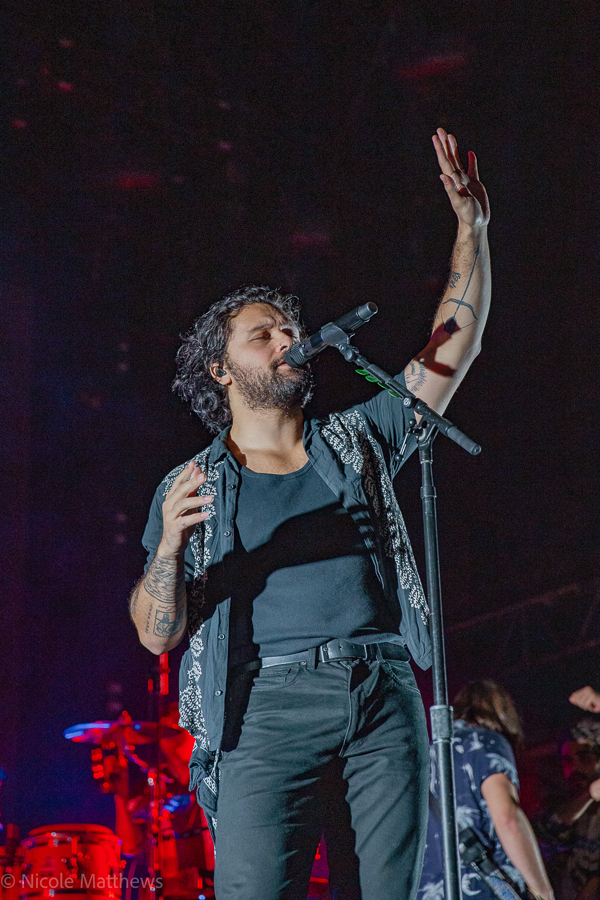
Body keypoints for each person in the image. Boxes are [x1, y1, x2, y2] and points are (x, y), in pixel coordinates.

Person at [129, 128, 491, 900]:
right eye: (262, 333)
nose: (287, 339)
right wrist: (168, 550)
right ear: (221, 370)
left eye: (290, 328)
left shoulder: (359, 437)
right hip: (266, 709)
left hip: (383, 690)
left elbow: (450, 349)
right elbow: (156, 633)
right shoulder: (192, 484)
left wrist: (473, 231)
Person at [419, 680, 554, 900]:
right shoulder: (487, 741)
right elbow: (507, 818)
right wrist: (542, 891)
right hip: (480, 888)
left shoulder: (426, 752)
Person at [537, 722, 600, 900]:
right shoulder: (560, 799)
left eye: (585, 758)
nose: (574, 768)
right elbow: (550, 831)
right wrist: (589, 795)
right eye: (567, 761)